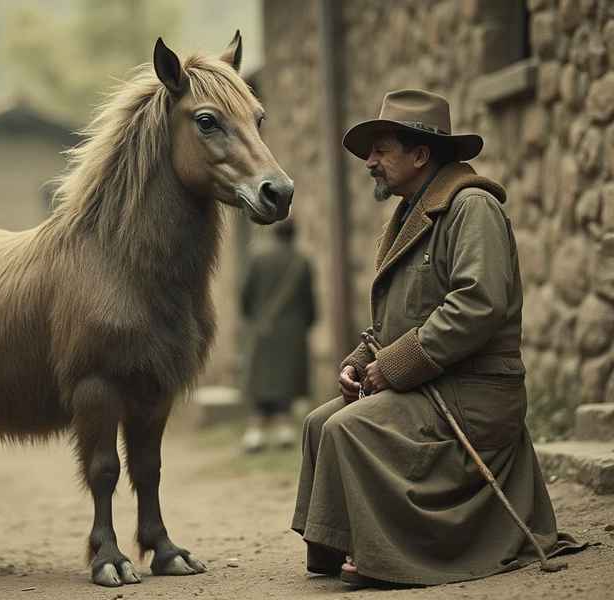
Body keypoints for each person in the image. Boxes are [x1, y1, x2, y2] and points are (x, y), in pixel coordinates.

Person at [291, 89, 582, 588]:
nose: (369, 162)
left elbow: (478, 304)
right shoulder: (408, 214)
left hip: (474, 393)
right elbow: (398, 319)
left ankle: (383, 555)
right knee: (321, 422)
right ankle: (339, 543)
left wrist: (396, 365)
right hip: (434, 380)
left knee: (348, 429)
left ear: (421, 154)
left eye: (381, 149)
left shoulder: (473, 208)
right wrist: (362, 360)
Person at [240, 219, 317, 452]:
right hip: (292, 330)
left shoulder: (257, 259)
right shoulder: (302, 262)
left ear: (275, 233)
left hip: (264, 328)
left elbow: (245, 297)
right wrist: (307, 323)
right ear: (294, 235)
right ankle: (285, 430)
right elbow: (310, 302)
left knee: (262, 380)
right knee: (287, 379)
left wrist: (256, 319)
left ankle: (255, 433)